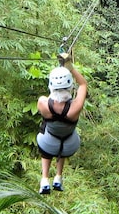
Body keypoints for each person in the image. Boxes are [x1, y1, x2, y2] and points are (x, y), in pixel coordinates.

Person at [35, 53, 88, 194]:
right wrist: (70, 67)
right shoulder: (76, 106)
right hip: (69, 142)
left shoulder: (43, 103)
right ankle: (58, 177)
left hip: (49, 140)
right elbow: (83, 84)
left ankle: (45, 179)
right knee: (63, 143)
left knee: (47, 144)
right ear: (70, 85)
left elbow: (48, 97)